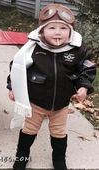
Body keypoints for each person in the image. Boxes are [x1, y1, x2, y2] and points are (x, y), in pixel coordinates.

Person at [7, 3, 96, 170]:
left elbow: (86, 68)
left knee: (59, 133)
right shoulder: (32, 49)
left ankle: (59, 160)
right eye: (52, 28)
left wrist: (83, 86)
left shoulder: (77, 50)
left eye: (63, 28)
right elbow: (16, 68)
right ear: (42, 31)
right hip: (35, 103)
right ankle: (22, 157)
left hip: (61, 104)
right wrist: (12, 86)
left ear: (71, 32)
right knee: (29, 130)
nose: (57, 32)